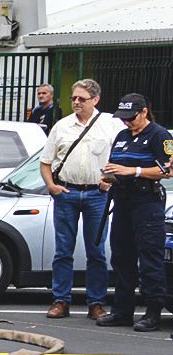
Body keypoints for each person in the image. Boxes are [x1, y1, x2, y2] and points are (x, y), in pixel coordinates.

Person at [38, 78, 124, 320]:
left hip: (97, 194)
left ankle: (96, 302)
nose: (76, 102)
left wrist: (111, 180)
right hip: (67, 192)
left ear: (95, 100)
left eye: (81, 99)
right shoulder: (62, 126)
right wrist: (52, 186)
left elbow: (122, 157)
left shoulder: (111, 124)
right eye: (73, 98)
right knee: (63, 250)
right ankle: (60, 300)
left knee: (96, 251)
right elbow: (45, 162)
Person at [95, 93, 171, 333]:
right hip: (123, 201)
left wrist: (133, 171)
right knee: (121, 256)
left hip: (146, 203)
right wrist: (108, 178)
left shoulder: (159, 135)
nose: (127, 122)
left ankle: (152, 312)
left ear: (144, 112)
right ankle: (122, 311)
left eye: (131, 117)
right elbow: (116, 165)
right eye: (124, 118)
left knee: (149, 258)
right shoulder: (122, 136)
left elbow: (167, 171)